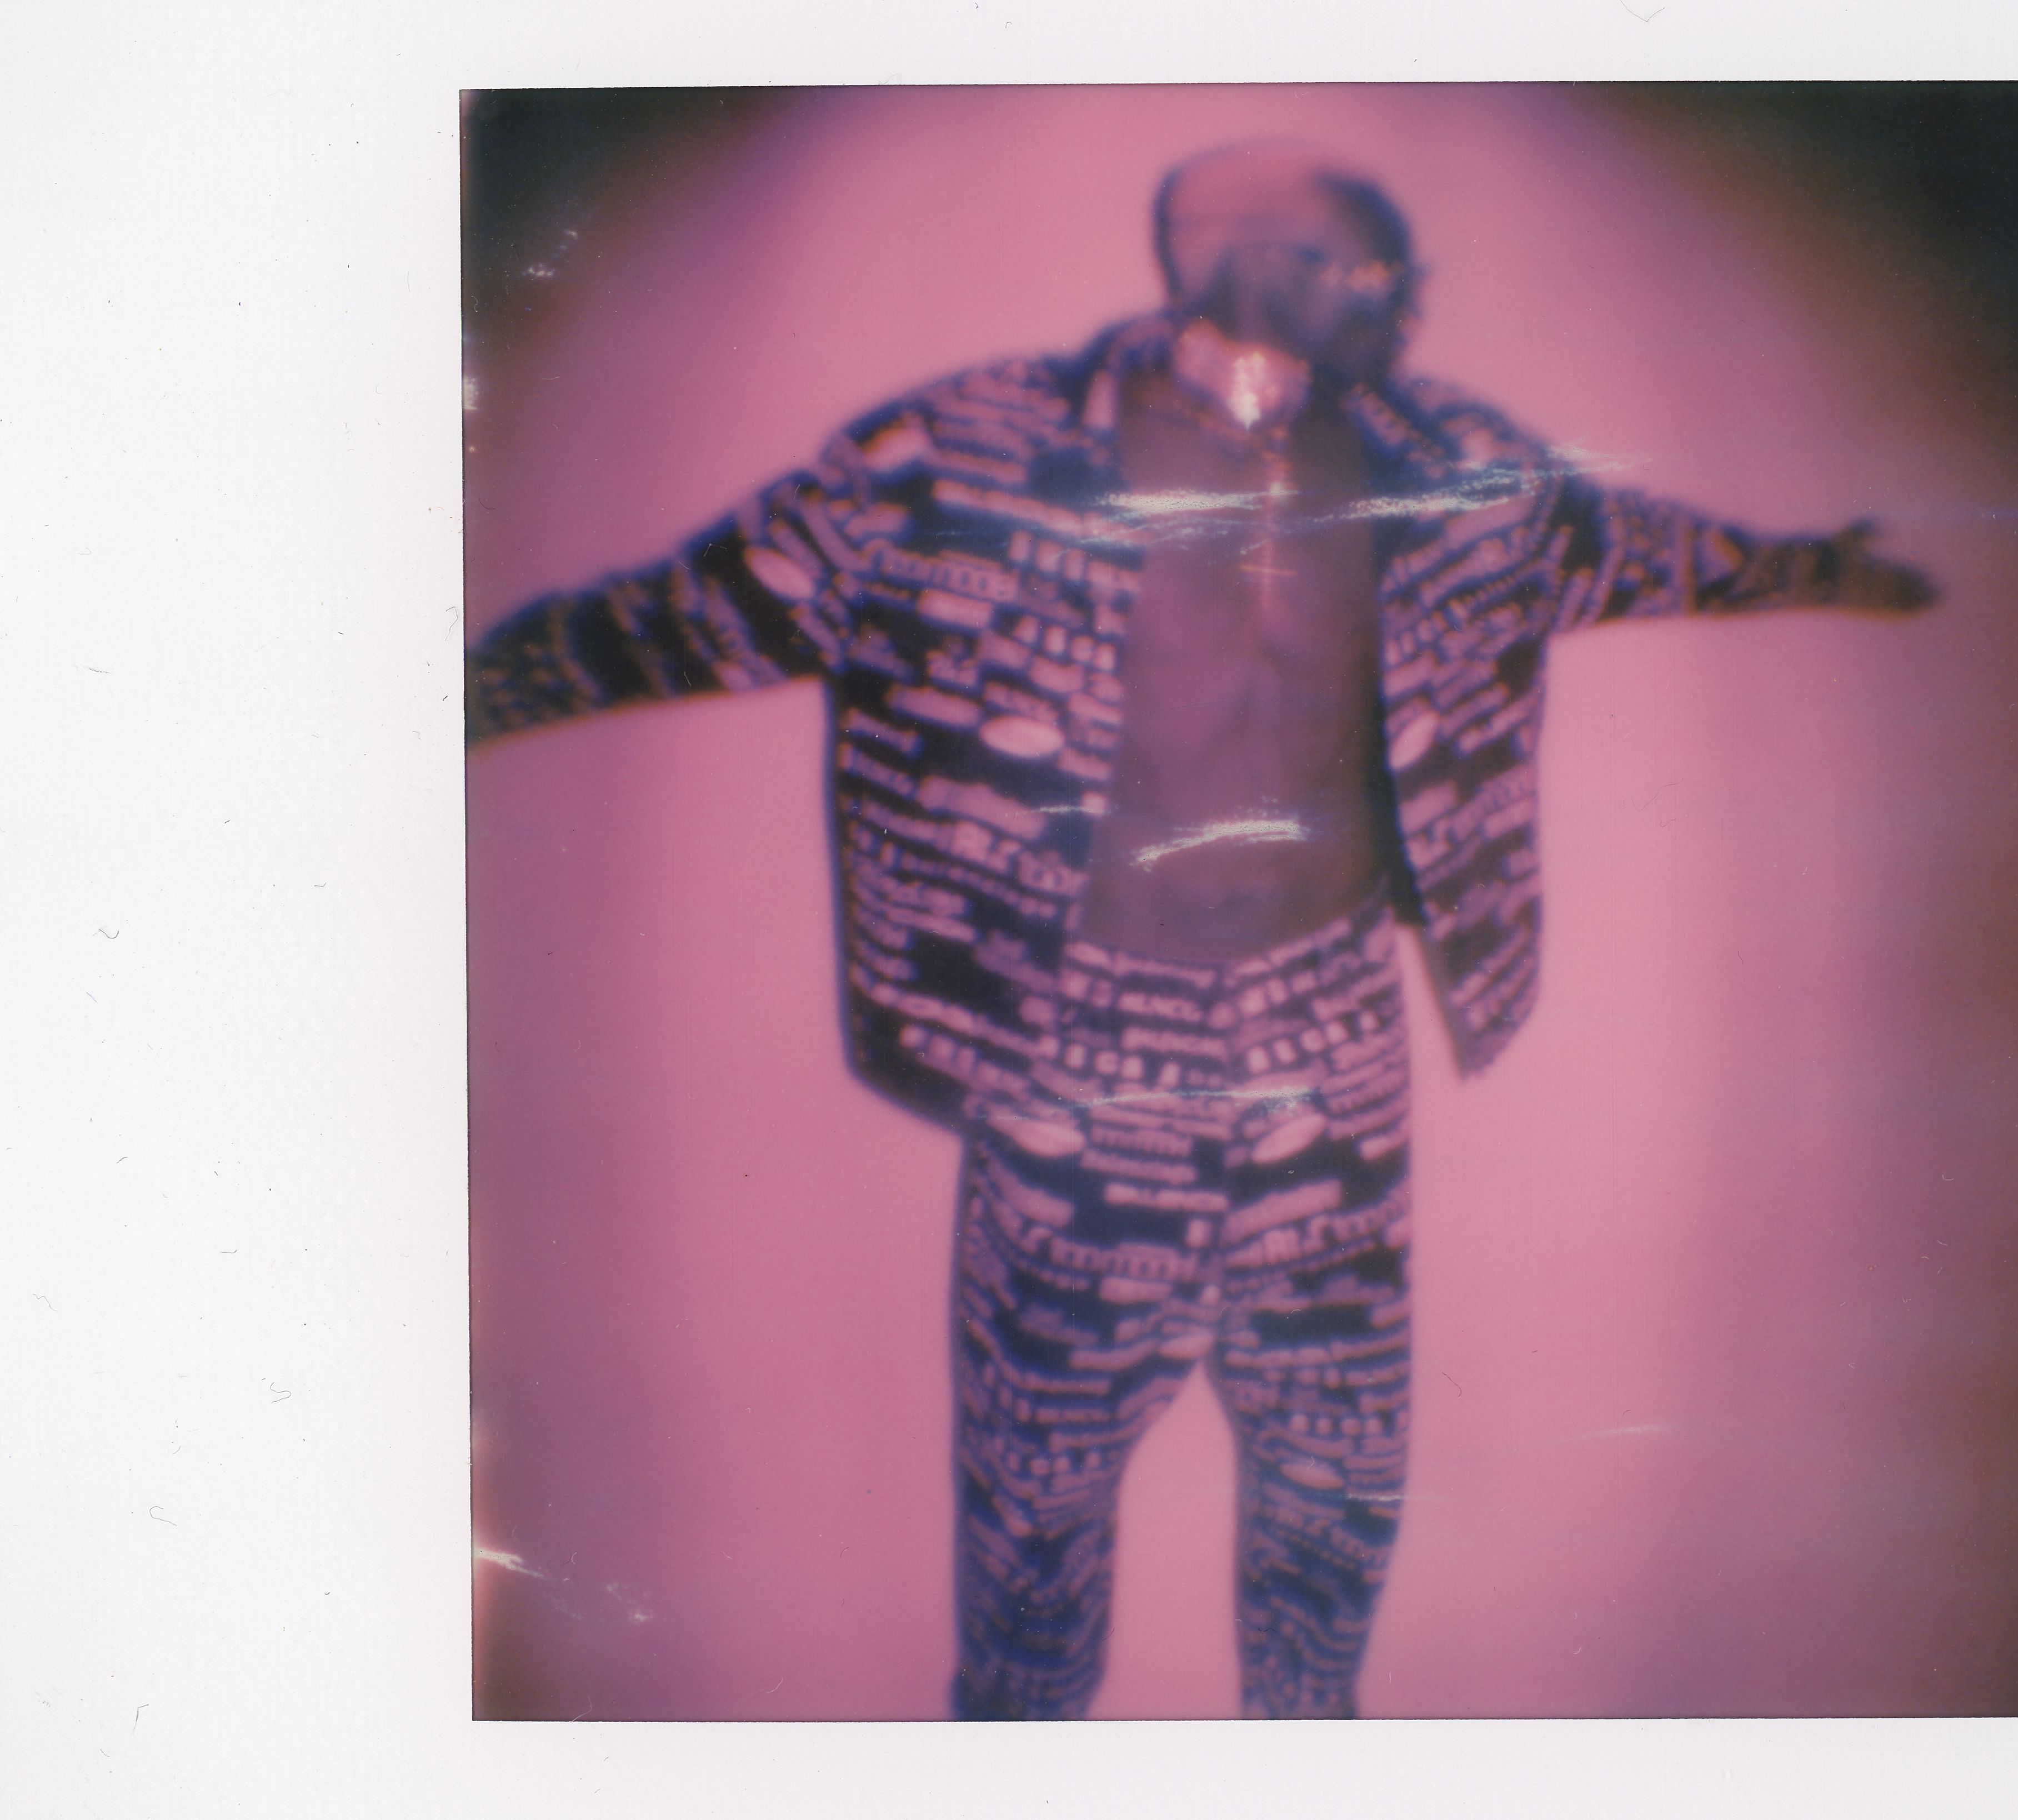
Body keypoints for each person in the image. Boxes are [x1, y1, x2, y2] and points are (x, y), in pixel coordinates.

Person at [466, 139, 1935, 1719]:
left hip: (1332, 1041)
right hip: (1079, 1049)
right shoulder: (962, 456)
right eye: (1377, 268)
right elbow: (699, 607)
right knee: (1036, 1508)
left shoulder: (1449, 463)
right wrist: (463, 690)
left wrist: (1819, 566)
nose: (1409, 300)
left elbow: (1628, 549)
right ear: (1252, 260)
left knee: (1335, 1479)